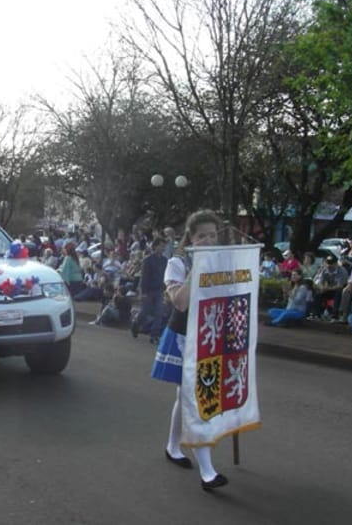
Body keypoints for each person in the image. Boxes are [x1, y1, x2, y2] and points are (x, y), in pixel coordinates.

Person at [151, 209, 229, 491]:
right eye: (201, 236)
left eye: (212, 235)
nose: (208, 240)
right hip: (184, 335)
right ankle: (207, 471)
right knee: (195, 400)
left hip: (210, 336)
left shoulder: (224, 262)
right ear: (191, 238)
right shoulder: (177, 262)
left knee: (185, 396)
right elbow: (180, 302)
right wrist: (199, 266)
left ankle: (173, 446)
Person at [131, 238, 168, 344]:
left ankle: (154, 335)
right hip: (149, 290)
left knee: (159, 312)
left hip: (159, 289)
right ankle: (136, 324)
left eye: (163, 246)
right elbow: (144, 277)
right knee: (145, 312)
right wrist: (143, 292)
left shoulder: (165, 260)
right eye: (161, 245)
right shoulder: (148, 260)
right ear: (155, 246)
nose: (163, 248)